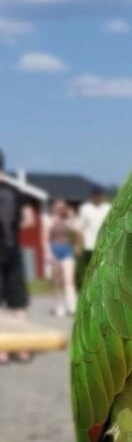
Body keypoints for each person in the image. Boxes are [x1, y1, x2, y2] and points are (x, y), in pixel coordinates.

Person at [0, 148, 35, 363]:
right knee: (17, 302)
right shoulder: (16, 191)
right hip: (12, 250)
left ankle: (2, 351)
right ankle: (22, 349)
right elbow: (29, 220)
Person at [43, 199, 78, 317]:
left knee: (69, 280)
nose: (60, 210)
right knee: (57, 282)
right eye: (58, 207)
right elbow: (45, 239)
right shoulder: (48, 220)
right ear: (53, 208)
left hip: (66, 250)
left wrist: (72, 217)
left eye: (62, 207)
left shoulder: (67, 220)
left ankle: (72, 307)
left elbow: (76, 230)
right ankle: (59, 306)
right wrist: (48, 254)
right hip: (54, 250)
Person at [76, 186, 111, 289]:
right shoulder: (85, 209)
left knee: (104, 268)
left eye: (99, 195)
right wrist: (78, 245)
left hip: (104, 245)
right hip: (89, 245)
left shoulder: (108, 208)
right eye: (95, 195)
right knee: (90, 269)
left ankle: (102, 288)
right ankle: (91, 288)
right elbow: (80, 229)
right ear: (92, 196)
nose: (98, 197)